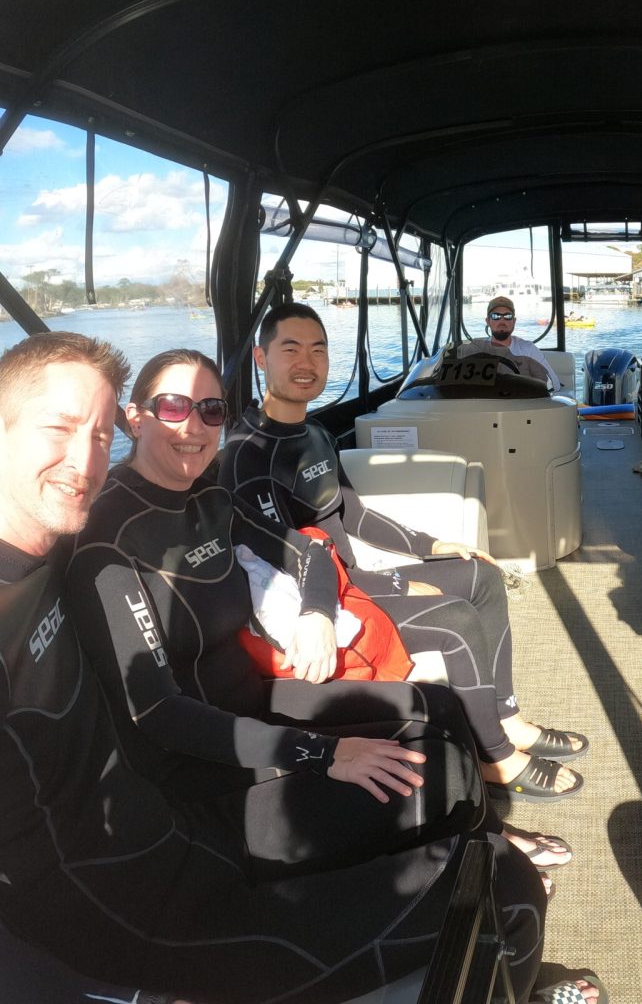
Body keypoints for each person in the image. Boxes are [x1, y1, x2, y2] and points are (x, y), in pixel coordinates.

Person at [0, 330, 556, 1003]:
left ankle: (468, 879)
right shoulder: (101, 545)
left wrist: (319, 615)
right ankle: (479, 902)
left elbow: (311, 553)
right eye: (59, 427)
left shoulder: (201, 499)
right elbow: (157, 711)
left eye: (211, 412)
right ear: (138, 419)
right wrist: (323, 754)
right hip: (172, 827)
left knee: (439, 720)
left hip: (207, 770)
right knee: (481, 850)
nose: (83, 457)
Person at [220, 303, 586, 801]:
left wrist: (433, 545)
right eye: (291, 349)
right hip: (326, 610)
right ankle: (494, 754)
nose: (306, 361)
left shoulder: (314, 434)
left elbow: (354, 514)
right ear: (261, 358)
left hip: (355, 581)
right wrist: (393, 582)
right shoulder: (247, 456)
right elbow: (286, 573)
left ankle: (507, 716)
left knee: (482, 575)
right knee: (455, 619)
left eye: (318, 349)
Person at [456, 294, 563, 390]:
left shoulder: (528, 349)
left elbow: (555, 384)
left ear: (514, 321)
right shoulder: (475, 349)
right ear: (488, 321)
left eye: (507, 316)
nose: (502, 321)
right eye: (496, 316)